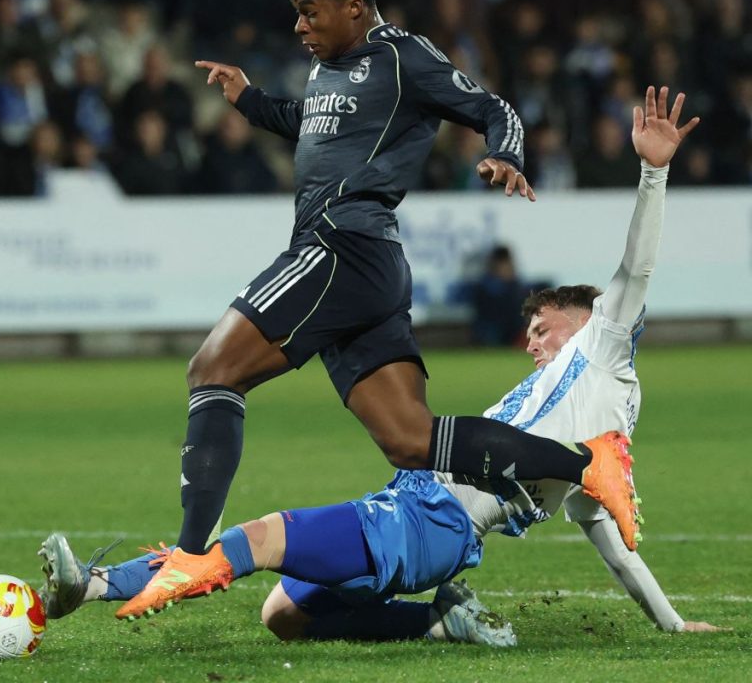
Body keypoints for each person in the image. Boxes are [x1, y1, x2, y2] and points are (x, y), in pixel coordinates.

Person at [79, 0, 638, 622]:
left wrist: (503, 154)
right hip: (362, 269)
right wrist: (249, 100)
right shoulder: (326, 68)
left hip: (343, 245)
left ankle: (193, 553)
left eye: (310, 12)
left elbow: (496, 109)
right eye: (296, 12)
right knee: (409, 440)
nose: (299, 26)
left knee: (212, 370)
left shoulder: (406, 57)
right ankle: (587, 463)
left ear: (354, 8)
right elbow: (307, 125)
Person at [40, 87, 724, 641]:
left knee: (258, 538)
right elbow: (616, 544)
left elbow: (636, 266)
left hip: (433, 524)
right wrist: (671, 622)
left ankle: (93, 585)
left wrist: (654, 170)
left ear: (588, 320)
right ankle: (440, 620)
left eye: (544, 328)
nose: (532, 342)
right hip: (410, 503)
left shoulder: (603, 347)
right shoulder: (588, 421)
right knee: (283, 615)